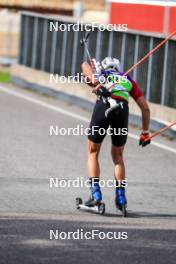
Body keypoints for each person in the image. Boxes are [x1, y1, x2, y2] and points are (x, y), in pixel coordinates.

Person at [81, 57, 150, 211]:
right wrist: (145, 132)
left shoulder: (101, 74)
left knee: (92, 152)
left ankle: (96, 195)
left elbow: (84, 66)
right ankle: (121, 197)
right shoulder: (128, 80)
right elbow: (145, 108)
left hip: (103, 106)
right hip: (122, 110)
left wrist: (93, 73)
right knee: (118, 156)